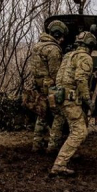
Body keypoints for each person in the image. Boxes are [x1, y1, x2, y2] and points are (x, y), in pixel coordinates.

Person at [49, 31, 96, 176]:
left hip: (60, 97)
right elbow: (80, 79)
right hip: (70, 99)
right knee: (79, 131)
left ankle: (69, 153)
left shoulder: (68, 56)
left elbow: (61, 77)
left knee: (79, 124)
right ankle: (59, 165)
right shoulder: (85, 58)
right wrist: (87, 100)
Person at [26, 20, 67, 152]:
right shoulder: (53, 50)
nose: (62, 40)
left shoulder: (37, 46)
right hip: (50, 88)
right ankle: (53, 146)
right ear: (57, 34)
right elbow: (56, 74)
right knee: (59, 116)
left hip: (39, 86)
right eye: (61, 37)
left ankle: (36, 144)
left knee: (42, 114)